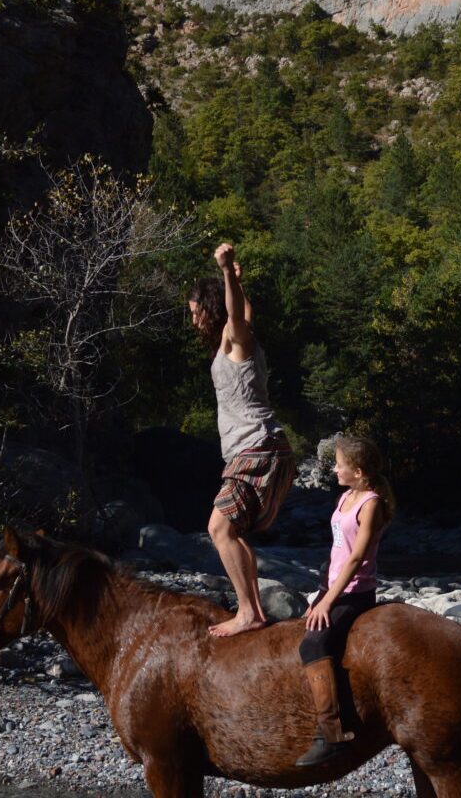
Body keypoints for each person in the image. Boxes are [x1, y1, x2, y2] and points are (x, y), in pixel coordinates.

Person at [190, 242, 295, 638]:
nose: (194, 320)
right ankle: (252, 609)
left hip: (257, 445)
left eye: (196, 312)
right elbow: (246, 310)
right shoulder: (235, 340)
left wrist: (227, 269)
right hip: (259, 447)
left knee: (218, 529)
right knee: (231, 531)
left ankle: (249, 612)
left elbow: (237, 313)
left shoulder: (237, 339)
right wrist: (236, 280)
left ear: (212, 310)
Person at [294, 434, 393, 767]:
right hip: (334, 586)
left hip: (355, 591)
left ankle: (331, 732)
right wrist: (318, 595)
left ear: (360, 471)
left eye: (340, 465)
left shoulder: (371, 502)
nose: (334, 470)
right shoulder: (345, 498)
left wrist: (328, 603)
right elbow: (336, 552)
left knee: (313, 645)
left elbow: (355, 559)